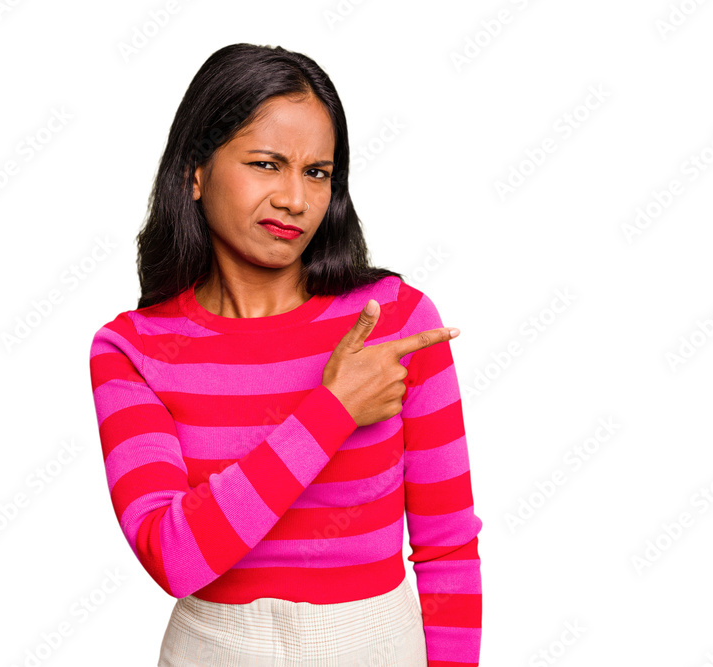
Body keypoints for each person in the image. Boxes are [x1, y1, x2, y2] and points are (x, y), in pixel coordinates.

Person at [88, 43, 483, 666]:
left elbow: (448, 548)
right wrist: (332, 411)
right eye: (267, 164)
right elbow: (174, 556)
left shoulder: (395, 321)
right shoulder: (133, 349)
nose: (295, 199)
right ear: (195, 172)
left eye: (317, 172)